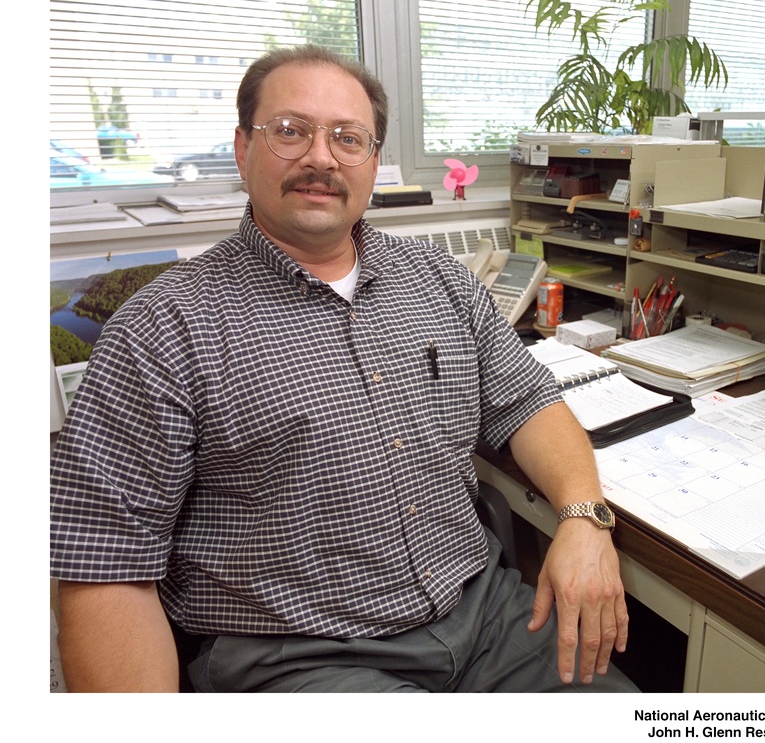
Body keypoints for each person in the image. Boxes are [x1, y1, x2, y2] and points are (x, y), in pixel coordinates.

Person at [50, 45, 637, 693]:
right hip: (303, 657)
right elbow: (105, 565)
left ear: (373, 162)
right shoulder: (164, 327)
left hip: (490, 620)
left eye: (347, 138)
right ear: (244, 148)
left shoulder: (441, 279)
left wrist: (584, 517)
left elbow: (529, 402)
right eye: (291, 131)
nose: (321, 157)